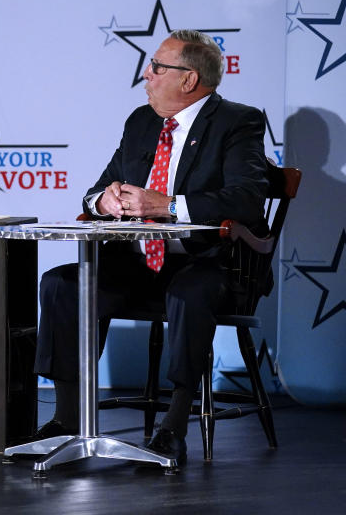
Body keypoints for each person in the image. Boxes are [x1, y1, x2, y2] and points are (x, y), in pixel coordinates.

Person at [32, 30, 268, 464]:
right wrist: (100, 200)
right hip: (137, 265)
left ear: (189, 79)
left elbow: (247, 198)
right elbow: (98, 188)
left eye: (158, 67)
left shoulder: (238, 121)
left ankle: (173, 428)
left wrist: (169, 205)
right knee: (63, 283)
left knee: (189, 292)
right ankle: (66, 420)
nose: (148, 74)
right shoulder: (141, 121)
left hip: (206, 263)